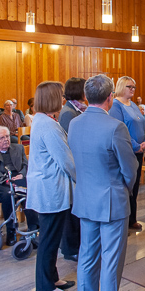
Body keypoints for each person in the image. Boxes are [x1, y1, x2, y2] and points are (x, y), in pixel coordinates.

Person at [68, 74, 138, 291]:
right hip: (111, 201)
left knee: (86, 257)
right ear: (110, 97)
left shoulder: (74, 124)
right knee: (110, 259)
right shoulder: (114, 127)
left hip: (86, 199)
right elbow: (129, 167)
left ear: (87, 97)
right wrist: (125, 188)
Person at [26, 81, 77, 291]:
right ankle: (45, 287)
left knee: (52, 236)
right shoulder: (48, 125)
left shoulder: (42, 120)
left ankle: (52, 278)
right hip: (50, 189)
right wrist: (81, 179)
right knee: (49, 238)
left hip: (47, 186)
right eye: (60, 96)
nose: (63, 99)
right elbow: (66, 161)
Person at [0, 126, 39, 247]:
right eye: (1, 138)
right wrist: (6, 180)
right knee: (9, 196)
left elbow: (25, 164)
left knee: (29, 193)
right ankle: (11, 230)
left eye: (7, 136)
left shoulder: (18, 147)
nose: (6, 140)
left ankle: (33, 230)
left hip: (18, 179)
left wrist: (22, 175)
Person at [109, 76, 145, 230]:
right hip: (127, 151)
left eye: (134, 87)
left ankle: (133, 218)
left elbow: (142, 124)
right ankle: (124, 220)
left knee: (135, 185)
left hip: (139, 150)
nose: (132, 89)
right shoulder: (116, 106)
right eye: (129, 86)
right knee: (126, 186)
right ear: (121, 87)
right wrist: (134, 145)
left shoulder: (132, 104)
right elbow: (119, 129)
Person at [59, 77, 88, 261]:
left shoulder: (77, 109)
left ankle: (77, 244)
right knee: (71, 209)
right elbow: (70, 142)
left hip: (80, 163)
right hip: (73, 165)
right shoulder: (68, 113)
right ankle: (70, 249)